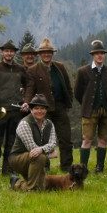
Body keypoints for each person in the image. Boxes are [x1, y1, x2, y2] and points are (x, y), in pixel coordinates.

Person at [23, 38, 74, 172]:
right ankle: (44, 167)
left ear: (52, 53)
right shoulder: (33, 70)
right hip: (43, 110)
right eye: (44, 52)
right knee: (42, 141)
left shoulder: (60, 67)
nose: (47, 54)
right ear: (40, 54)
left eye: (49, 52)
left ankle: (67, 167)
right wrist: (27, 103)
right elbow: (30, 88)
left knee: (66, 139)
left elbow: (68, 86)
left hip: (60, 107)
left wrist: (69, 101)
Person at [73, 39, 107, 173]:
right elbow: (77, 92)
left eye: (102, 53)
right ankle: (83, 168)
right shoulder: (83, 71)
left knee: (103, 140)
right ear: (92, 55)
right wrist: (87, 104)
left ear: (104, 55)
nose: (100, 56)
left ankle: (100, 167)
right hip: (89, 111)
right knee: (87, 139)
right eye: (97, 53)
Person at [0, 39, 26, 176]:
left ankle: (8, 170)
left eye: (11, 51)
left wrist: (25, 100)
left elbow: (28, 86)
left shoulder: (21, 69)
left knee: (12, 142)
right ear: (2, 52)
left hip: (16, 111)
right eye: (6, 51)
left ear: (14, 53)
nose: (9, 53)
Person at [9, 94, 57, 191]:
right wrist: (49, 154)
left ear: (46, 110)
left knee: (43, 187)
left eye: (42, 108)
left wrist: (42, 149)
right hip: (18, 159)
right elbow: (33, 149)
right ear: (31, 110)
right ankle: (31, 189)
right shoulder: (24, 123)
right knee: (39, 157)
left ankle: (17, 182)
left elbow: (53, 143)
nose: (40, 111)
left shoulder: (49, 124)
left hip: (36, 158)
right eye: (36, 108)